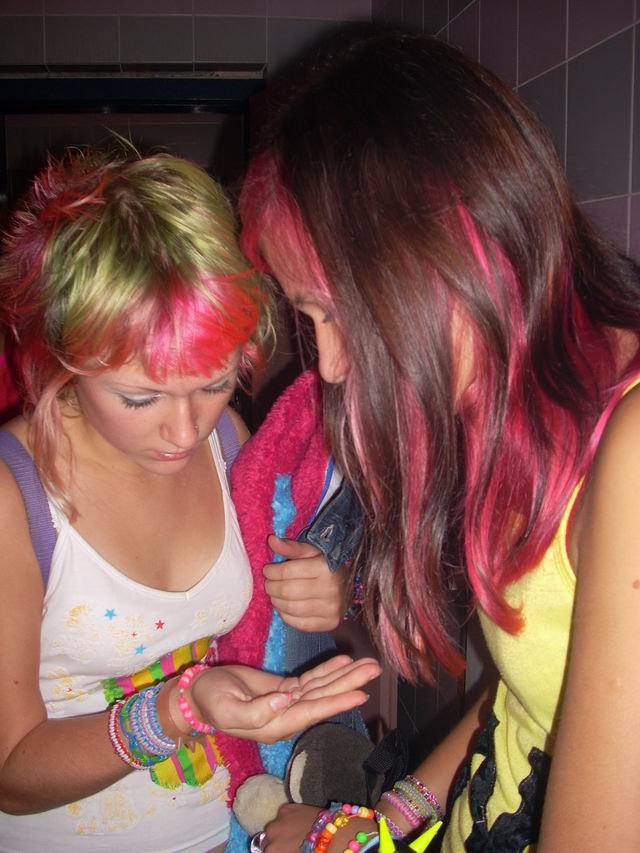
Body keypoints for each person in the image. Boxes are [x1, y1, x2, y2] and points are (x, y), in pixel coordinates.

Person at [238, 28, 640, 853]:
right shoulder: (512, 418)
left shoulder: (630, 453)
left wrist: (332, 844)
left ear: (452, 252)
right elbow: (534, 695)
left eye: (334, 312)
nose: (331, 366)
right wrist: (392, 815)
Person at [0, 147, 380, 852]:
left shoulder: (229, 439)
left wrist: (332, 590)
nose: (184, 431)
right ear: (65, 356)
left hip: (236, 830)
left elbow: (269, 612)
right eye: (138, 397)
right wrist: (176, 711)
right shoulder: (13, 496)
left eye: (213, 383)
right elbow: (10, 775)